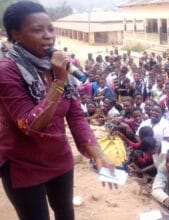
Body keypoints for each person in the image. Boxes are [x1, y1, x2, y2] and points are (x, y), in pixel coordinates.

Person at [0, 2, 114, 220]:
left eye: (50, 29)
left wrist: (99, 154)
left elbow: (76, 116)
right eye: (37, 30)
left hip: (58, 158)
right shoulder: (7, 71)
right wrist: (59, 82)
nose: (48, 36)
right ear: (16, 34)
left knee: (65, 213)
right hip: (22, 163)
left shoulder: (57, 67)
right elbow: (31, 125)